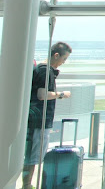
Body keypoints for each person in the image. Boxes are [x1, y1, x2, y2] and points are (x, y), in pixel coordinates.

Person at [23, 42, 72, 189]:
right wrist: (61, 94)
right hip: (39, 120)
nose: (64, 62)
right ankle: (27, 185)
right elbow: (42, 94)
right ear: (56, 55)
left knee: (33, 154)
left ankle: (27, 184)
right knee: (33, 155)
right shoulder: (45, 71)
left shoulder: (43, 70)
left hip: (38, 119)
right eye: (64, 59)